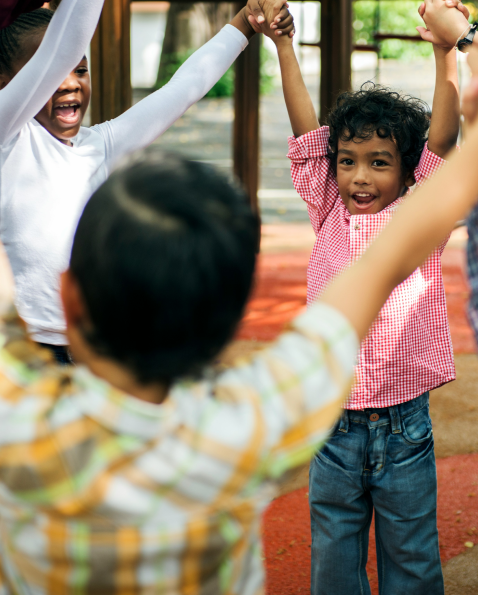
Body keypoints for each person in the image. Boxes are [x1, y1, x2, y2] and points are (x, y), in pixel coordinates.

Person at [1, 62, 478, 589]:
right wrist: (460, 44)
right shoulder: (244, 422)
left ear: (68, 299)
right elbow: (387, 259)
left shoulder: (20, 418)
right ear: (230, 321)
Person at [258, 1, 466, 592]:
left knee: (413, 557)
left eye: (379, 163)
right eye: (347, 162)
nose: (359, 177)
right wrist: (283, 48)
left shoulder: (419, 213)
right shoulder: (327, 207)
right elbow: (305, 131)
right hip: (334, 424)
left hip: (404, 427)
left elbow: (445, 135)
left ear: (407, 173)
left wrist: (444, 50)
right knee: (333, 556)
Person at [0, 0, 294, 364]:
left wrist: (244, 23)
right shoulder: (8, 135)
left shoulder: (100, 145)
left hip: (94, 346)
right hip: (18, 350)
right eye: (50, 72)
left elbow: (183, 89)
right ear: (8, 84)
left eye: (81, 70)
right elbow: (65, 45)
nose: (69, 83)